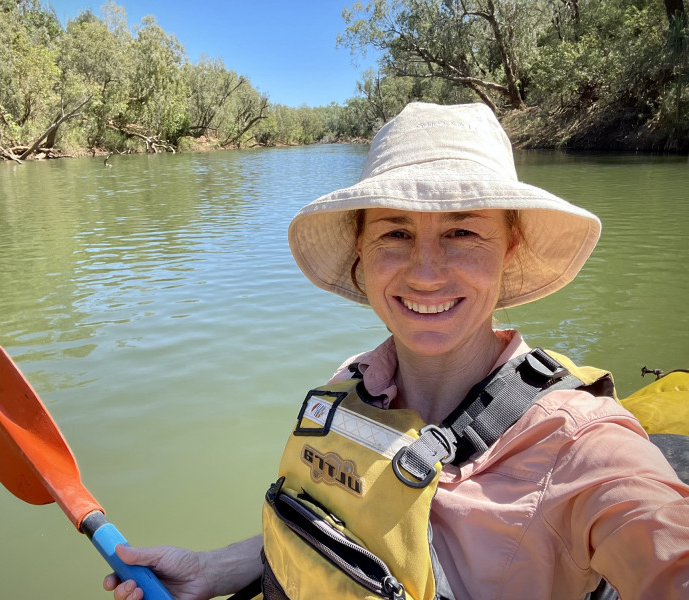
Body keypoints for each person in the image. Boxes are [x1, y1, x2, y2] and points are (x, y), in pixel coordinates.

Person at [104, 102, 689, 600]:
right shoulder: (353, 385)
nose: (426, 273)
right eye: (395, 232)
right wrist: (214, 569)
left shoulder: (583, 447)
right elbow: (354, 528)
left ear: (508, 247)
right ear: (360, 248)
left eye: (464, 232)